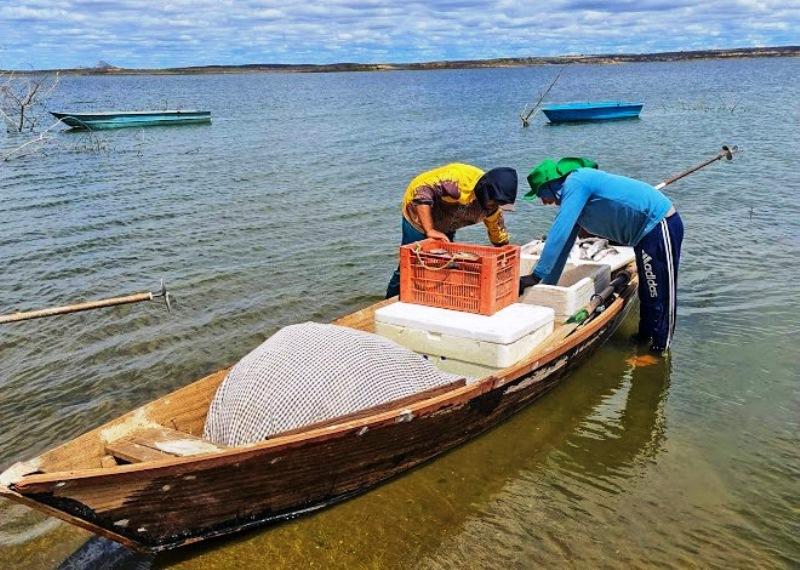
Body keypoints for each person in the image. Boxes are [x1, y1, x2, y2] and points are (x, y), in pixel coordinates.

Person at [519, 157, 683, 354]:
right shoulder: (574, 198)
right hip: (642, 236)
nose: (544, 202)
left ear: (550, 185)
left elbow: (559, 231)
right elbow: (563, 246)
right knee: (647, 291)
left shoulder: (576, 183)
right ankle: (644, 338)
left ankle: (660, 350)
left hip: (658, 224)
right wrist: (546, 287)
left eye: (541, 195)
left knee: (660, 290)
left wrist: (535, 275)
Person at [385, 163, 518, 298]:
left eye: (499, 204)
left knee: (444, 262)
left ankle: (428, 296)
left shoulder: (493, 209)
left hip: (447, 221)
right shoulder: (457, 180)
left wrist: (504, 254)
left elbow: (498, 233)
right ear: (485, 191)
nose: (495, 206)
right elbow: (422, 191)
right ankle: (390, 300)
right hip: (419, 213)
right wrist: (430, 229)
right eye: (493, 202)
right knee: (410, 263)